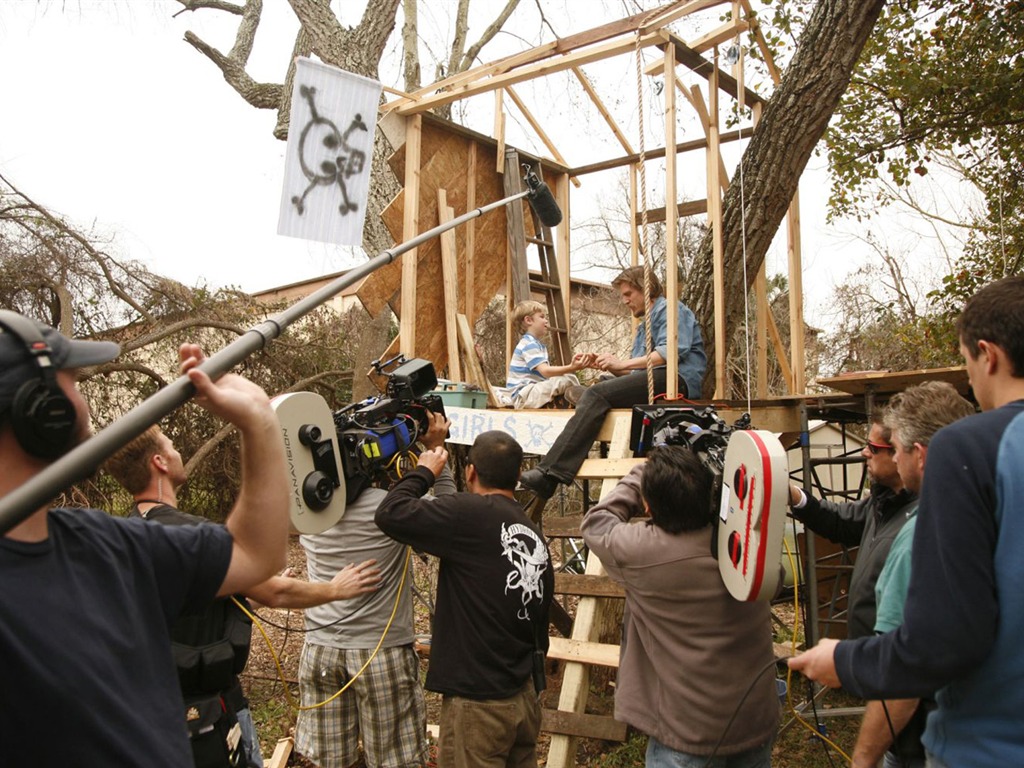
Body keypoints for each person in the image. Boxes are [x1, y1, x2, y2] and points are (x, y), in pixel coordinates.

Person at [0, 311, 289, 767]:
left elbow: (256, 554)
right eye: (73, 381)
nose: (87, 406)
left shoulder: (104, 540)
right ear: (42, 410)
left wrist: (259, 424)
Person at [789, 276, 1024, 766]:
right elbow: (851, 521)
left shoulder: (970, 450)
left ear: (989, 355)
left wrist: (846, 662)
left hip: (989, 745)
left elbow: (944, 638)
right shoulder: (891, 503)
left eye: (966, 363)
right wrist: (800, 501)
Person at [104, 424, 383, 768]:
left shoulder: (125, 534)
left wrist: (242, 592)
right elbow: (276, 592)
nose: (178, 452)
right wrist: (335, 589)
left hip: (151, 714)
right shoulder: (193, 535)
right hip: (210, 714)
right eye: (172, 446)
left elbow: (181, 607)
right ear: (160, 462)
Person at [580, 445, 779, 766]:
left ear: (647, 504)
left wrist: (643, 472)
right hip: (753, 720)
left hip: (686, 734)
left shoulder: (641, 551)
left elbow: (596, 523)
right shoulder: (743, 549)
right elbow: (776, 576)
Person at [375, 431, 553, 768]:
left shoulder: (468, 514)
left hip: (479, 707)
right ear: (517, 476)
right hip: (522, 698)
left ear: (470, 472)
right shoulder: (530, 530)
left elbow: (390, 513)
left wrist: (425, 470)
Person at [295, 410, 453, 768]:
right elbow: (449, 516)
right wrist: (437, 449)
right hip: (380, 653)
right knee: (395, 761)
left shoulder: (307, 511)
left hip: (320, 651)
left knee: (329, 762)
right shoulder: (388, 509)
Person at [849, 383, 974, 768]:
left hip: (927, 741)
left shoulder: (920, 535)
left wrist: (863, 758)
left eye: (896, 449)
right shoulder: (985, 510)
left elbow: (902, 675)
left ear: (917, 455)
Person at [519, 265, 706, 499]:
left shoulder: (671, 310)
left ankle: (550, 473)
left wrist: (622, 365)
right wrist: (611, 365)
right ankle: (592, 395)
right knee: (602, 386)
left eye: (629, 294)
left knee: (597, 394)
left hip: (676, 381)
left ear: (646, 289)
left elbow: (670, 353)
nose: (625, 301)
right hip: (654, 379)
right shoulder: (643, 327)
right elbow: (634, 375)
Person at [786, 410, 917, 639]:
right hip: (867, 656)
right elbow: (840, 521)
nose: (865, 452)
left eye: (874, 448)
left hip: (886, 656)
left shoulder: (920, 523)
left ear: (901, 453)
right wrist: (796, 497)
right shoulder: (884, 504)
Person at [504, 299, 592, 409]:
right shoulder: (528, 344)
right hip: (524, 396)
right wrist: (571, 367)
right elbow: (545, 371)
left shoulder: (536, 344)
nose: (546, 321)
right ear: (528, 320)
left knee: (569, 378)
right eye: (542, 317)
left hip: (531, 392)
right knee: (567, 379)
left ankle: (570, 399)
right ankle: (586, 400)